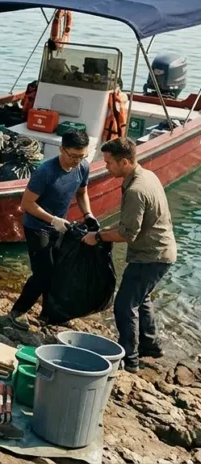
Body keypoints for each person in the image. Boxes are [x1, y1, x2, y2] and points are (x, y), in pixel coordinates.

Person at [83, 137, 176, 373]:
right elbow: (131, 223)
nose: (106, 167)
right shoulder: (147, 175)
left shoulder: (135, 189)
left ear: (124, 162)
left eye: (109, 163)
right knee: (141, 299)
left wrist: (99, 237)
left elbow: (128, 233)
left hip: (151, 256)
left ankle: (130, 359)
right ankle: (151, 346)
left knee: (124, 306)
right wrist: (105, 229)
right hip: (162, 251)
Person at [8, 130, 95, 329]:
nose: (77, 161)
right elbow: (27, 204)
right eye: (73, 156)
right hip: (38, 226)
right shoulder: (45, 172)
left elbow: (82, 193)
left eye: (82, 156)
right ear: (61, 149)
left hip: (60, 227)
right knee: (43, 272)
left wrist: (88, 214)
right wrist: (53, 220)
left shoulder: (82, 167)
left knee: (58, 270)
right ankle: (18, 311)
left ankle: (50, 313)